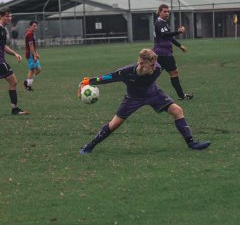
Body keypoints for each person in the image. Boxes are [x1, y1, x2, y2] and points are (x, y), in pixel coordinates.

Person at [78, 49, 210, 155]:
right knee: (114, 124)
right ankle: (90, 146)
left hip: (153, 93)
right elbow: (108, 77)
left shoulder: (157, 68)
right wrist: (87, 82)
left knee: (177, 110)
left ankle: (192, 143)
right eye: (151, 65)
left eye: (155, 64)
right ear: (141, 64)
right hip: (133, 98)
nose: (155, 68)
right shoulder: (127, 72)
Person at [153, 4, 193, 100]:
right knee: (171, 73)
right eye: (164, 11)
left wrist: (180, 46)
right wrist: (178, 32)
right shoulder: (159, 23)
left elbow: (169, 37)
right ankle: (181, 96)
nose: (167, 13)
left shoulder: (163, 23)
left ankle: (181, 96)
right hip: (163, 54)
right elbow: (165, 35)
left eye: (168, 12)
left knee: (156, 74)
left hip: (163, 53)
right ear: (159, 12)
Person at [0, 8, 29, 115]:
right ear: (1, 16)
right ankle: (15, 109)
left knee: (13, 82)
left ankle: (15, 108)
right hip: (0, 62)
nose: (9, 18)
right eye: (7, 16)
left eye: (10, 16)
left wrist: (15, 54)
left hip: (1, 60)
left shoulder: (3, 29)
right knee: (13, 81)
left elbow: (3, 46)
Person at [23, 20, 41, 91]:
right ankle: (28, 86)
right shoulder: (30, 34)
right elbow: (31, 46)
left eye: (36, 26)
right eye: (34, 26)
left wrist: (36, 53)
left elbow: (32, 45)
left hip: (32, 54)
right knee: (32, 70)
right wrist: (35, 55)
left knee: (39, 69)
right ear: (30, 26)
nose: (36, 27)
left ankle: (27, 81)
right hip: (30, 55)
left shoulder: (30, 33)